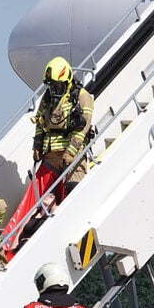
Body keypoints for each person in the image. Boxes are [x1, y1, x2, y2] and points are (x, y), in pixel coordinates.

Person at [32, 56, 95, 200]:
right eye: (52, 85)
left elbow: (83, 127)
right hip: (51, 154)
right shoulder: (47, 98)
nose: (54, 89)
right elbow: (39, 122)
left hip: (73, 153)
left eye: (58, 85)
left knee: (75, 189)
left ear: (67, 81)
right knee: (40, 195)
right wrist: (37, 146)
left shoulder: (81, 96)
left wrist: (71, 152)